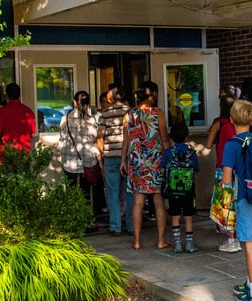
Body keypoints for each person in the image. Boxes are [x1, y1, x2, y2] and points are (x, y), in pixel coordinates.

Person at [223, 100, 252, 301]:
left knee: (249, 245)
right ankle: (250, 283)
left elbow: (226, 178)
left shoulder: (231, 145)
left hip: (245, 198)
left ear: (231, 120)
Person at [121, 81, 170, 250]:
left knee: (138, 203)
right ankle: (161, 240)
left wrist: (123, 160)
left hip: (136, 162)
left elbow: (126, 141)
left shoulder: (129, 115)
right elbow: (164, 139)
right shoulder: (158, 114)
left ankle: (136, 241)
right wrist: (171, 155)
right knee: (158, 202)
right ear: (152, 95)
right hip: (155, 162)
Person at [58, 90, 102, 228]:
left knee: (70, 191)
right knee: (85, 193)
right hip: (87, 161)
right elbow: (94, 140)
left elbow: (62, 137)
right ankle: (86, 221)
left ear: (74, 102)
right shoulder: (90, 120)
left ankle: (71, 220)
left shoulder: (65, 118)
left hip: (69, 160)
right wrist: (99, 161)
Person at [97, 85, 133, 237]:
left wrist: (103, 153)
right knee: (130, 192)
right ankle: (131, 225)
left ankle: (115, 227)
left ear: (111, 97)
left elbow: (99, 137)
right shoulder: (131, 113)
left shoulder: (105, 114)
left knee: (112, 193)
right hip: (130, 157)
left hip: (111, 157)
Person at [207, 86, 239, 252]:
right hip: (239, 168)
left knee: (225, 203)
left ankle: (231, 239)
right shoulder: (240, 124)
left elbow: (208, 143)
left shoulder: (219, 123)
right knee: (237, 202)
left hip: (223, 167)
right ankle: (240, 236)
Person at [162, 120, 200, 253]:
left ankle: (177, 244)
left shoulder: (168, 153)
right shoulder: (192, 153)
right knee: (188, 217)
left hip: (173, 190)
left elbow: (162, 170)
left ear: (171, 136)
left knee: (175, 216)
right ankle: (189, 244)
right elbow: (195, 172)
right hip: (188, 191)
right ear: (186, 136)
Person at [0, 82, 36, 160]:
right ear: (19, 94)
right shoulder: (28, 111)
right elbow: (33, 134)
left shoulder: (2, 111)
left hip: (6, 152)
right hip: (23, 152)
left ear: (7, 95)